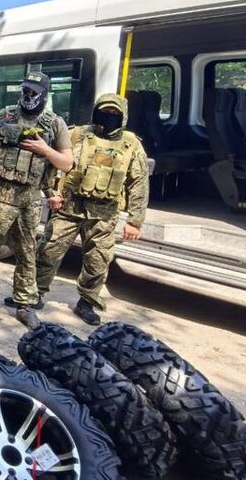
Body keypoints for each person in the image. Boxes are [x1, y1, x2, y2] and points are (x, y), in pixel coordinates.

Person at [0, 71, 73, 329]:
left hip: (29, 200)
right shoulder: (4, 116)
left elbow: (67, 163)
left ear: (44, 95)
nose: (28, 96)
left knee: (27, 253)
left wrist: (45, 150)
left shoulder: (55, 124)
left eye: (34, 92)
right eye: (25, 90)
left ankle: (24, 305)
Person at [36, 93, 150, 325]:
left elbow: (139, 182)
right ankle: (33, 294)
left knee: (98, 260)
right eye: (104, 111)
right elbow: (51, 163)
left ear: (123, 116)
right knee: (48, 251)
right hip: (68, 207)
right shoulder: (76, 134)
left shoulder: (131, 144)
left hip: (104, 214)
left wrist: (135, 221)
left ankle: (87, 302)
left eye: (114, 113)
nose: (108, 116)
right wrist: (50, 192)